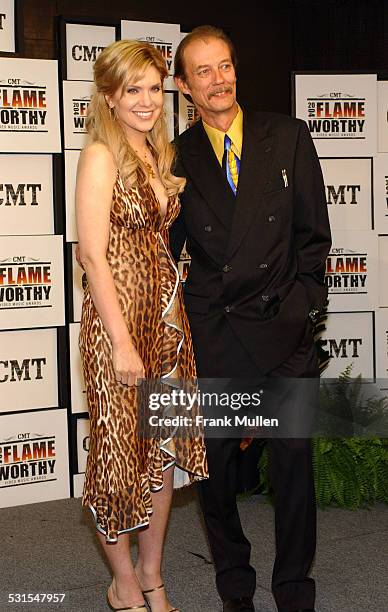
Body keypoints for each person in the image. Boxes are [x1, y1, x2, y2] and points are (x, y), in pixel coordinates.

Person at [171, 26, 331, 612]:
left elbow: (314, 242)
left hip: (284, 331)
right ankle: (234, 582)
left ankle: (294, 587)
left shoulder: (287, 136)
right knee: (213, 473)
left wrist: (300, 310)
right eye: (204, 72)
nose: (219, 80)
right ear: (185, 87)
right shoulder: (177, 157)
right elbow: (166, 251)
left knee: (293, 468)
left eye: (225, 66)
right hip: (218, 334)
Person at [76, 39, 207, 612]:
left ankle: (153, 577)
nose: (148, 100)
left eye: (155, 88)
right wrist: (123, 343)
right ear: (110, 95)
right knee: (118, 456)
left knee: (161, 454)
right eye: (134, 89)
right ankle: (123, 583)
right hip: (119, 327)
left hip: (166, 325)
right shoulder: (100, 155)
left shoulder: (160, 154)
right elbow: (91, 255)